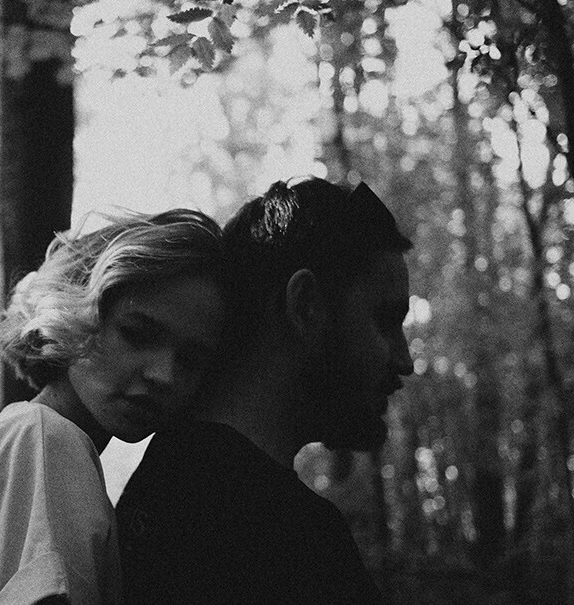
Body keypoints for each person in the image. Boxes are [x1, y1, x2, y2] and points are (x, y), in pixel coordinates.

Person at [117, 178, 414, 604]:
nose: (405, 361)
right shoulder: (282, 538)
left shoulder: (173, 483)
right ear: (306, 306)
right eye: (385, 321)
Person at [0, 209, 227, 604]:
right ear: (74, 312)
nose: (164, 375)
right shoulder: (42, 441)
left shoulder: (30, 440)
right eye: (137, 334)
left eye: (190, 360)